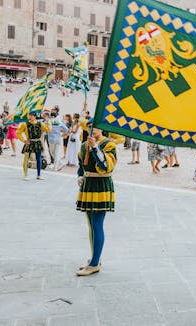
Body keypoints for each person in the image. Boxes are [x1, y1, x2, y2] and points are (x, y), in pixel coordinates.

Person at [75, 118, 117, 276]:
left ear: (102, 129)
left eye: (95, 127)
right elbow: (81, 162)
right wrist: (80, 175)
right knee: (90, 224)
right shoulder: (84, 144)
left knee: (97, 224)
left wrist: (95, 148)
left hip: (101, 185)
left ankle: (94, 264)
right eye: (90, 127)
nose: (92, 130)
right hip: (88, 184)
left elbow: (105, 166)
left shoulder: (109, 144)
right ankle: (95, 258)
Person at [16, 111, 51, 180]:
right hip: (29, 142)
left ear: (35, 116)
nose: (29, 116)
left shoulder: (40, 123)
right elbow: (18, 132)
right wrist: (24, 140)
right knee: (26, 159)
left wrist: (48, 122)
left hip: (37, 142)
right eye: (29, 115)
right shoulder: (25, 124)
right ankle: (25, 175)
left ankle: (39, 175)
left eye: (31, 115)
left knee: (38, 159)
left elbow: (48, 130)